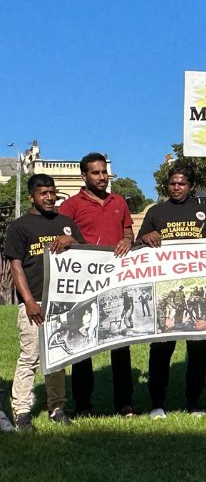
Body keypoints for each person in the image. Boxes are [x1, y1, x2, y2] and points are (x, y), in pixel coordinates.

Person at [3, 174, 84, 429]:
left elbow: (85, 256)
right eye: (43, 193)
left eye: (52, 192)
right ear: (31, 197)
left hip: (63, 301)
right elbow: (16, 266)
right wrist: (28, 301)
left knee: (58, 356)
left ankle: (57, 408)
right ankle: (22, 411)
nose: (49, 197)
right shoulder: (20, 226)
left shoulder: (66, 223)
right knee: (31, 357)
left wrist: (73, 241)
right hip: (35, 300)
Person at [137, 164, 206, 416]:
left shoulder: (205, 212)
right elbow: (139, 243)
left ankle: (194, 401)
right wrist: (145, 238)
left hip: (197, 288)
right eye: (172, 183)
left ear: (191, 186)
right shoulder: (156, 212)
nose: (176, 187)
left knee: (199, 349)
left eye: (182, 183)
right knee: (161, 349)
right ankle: (157, 403)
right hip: (164, 290)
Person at [63, 152, 137, 417]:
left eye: (104, 172)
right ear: (84, 176)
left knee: (120, 342)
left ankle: (125, 403)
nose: (102, 177)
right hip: (84, 283)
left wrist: (128, 240)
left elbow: (128, 231)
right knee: (83, 345)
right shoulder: (71, 205)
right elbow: (61, 236)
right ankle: (83, 405)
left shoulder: (119, 202)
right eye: (96, 173)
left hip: (116, 281)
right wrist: (68, 242)